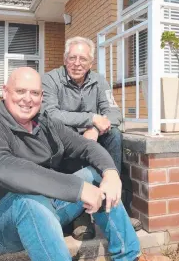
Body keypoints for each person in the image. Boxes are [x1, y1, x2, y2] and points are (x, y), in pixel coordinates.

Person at [0, 67, 171, 261]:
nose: (27, 99)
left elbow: (87, 147)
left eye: (34, 93)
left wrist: (110, 173)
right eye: (20, 91)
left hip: (41, 211)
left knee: (94, 175)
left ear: (42, 97)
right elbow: (4, 168)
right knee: (28, 200)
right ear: (5, 92)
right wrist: (77, 190)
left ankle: (127, 258)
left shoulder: (45, 123)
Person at [42, 36, 141, 241]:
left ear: (91, 62)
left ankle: (114, 207)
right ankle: (80, 218)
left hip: (91, 140)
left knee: (113, 135)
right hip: (62, 142)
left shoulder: (99, 81)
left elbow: (114, 114)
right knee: (73, 144)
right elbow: (50, 114)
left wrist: (95, 128)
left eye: (83, 59)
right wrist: (91, 118)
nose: (77, 64)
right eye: (72, 58)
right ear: (64, 58)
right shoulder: (51, 79)